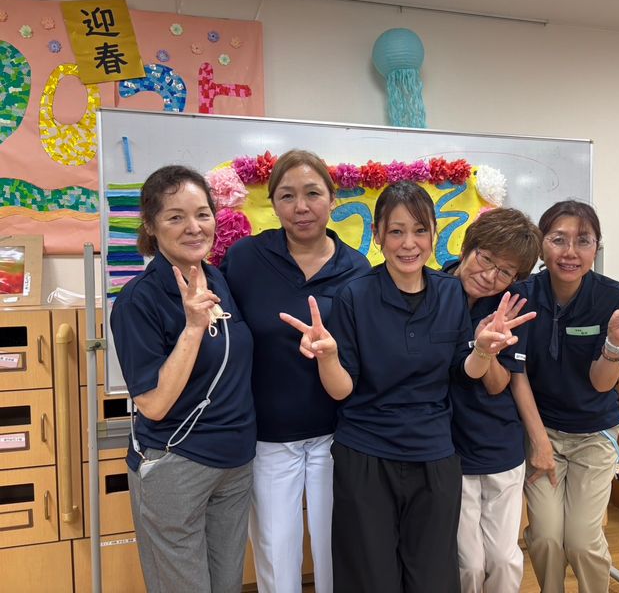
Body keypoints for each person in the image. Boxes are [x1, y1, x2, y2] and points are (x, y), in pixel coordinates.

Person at [280, 181, 535, 592]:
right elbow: (342, 390)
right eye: (396, 231)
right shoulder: (354, 295)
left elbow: (464, 371)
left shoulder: (450, 293)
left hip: (434, 457)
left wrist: (483, 350)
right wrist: (328, 357)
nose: (408, 243)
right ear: (377, 235)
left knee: (431, 579)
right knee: (371, 579)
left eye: (419, 230)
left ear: (434, 234)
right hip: (366, 455)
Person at [220, 150, 371, 593]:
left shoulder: (357, 269)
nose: (301, 207)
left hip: (337, 436)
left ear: (332, 199)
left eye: (312, 194)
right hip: (268, 437)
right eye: (287, 196)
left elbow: (363, 354)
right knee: (276, 554)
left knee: (336, 551)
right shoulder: (246, 259)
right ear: (273, 203)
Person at [110, 165, 256, 593]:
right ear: (151, 226)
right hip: (178, 463)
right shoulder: (139, 300)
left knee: (226, 585)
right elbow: (153, 404)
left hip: (235, 463)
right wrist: (192, 329)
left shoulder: (218, 279)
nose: (194, 227)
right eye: (176, 217)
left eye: (202, 214)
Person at [514, 200, 619, 593]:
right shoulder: (522, 295)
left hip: (595, 434)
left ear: (597, 246)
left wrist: (615, 339)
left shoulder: (613, 298)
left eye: (583, 240)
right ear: (541, 244)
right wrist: (540, 442)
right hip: (542, 431)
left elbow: (601, 383)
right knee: (545, 536)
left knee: (581, 540)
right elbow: (517, 375)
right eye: (558, 239)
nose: (570, 252)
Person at [444, 208, 542, 593]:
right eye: (486, 259)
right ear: (468, 247)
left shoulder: (511, 304)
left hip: (499, 444)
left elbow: (499, 384)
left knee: (502, 559)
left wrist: (487, 348)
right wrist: (476, 341)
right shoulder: (433, 289)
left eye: (505, 272)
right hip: (449, 448)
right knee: (467, 564)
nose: (490, 276)